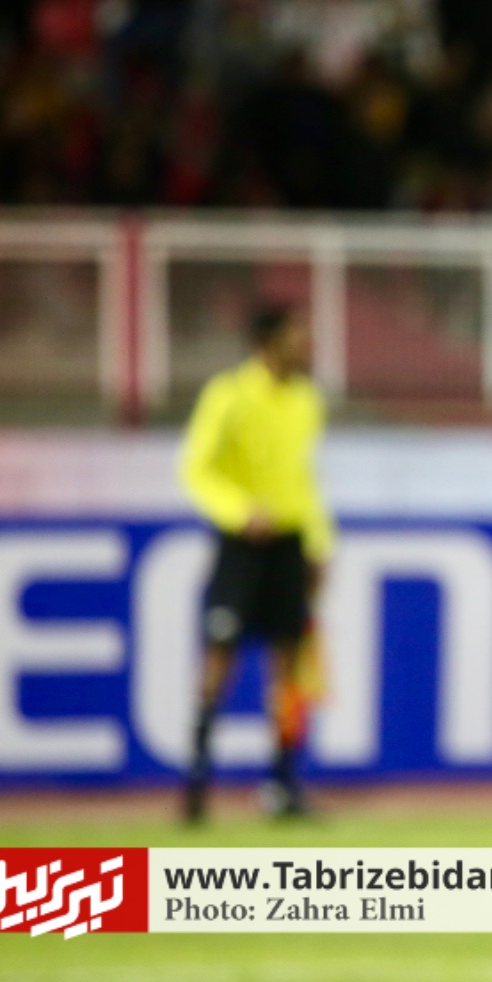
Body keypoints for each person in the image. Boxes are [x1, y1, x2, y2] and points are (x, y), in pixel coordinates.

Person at [177, 303, 333, 822]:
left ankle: (282, 784)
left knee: (288, 666)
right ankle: (197, 783)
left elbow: (303, 479)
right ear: (268, 342)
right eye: (297, 335)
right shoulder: (227, 396)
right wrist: (240, 512)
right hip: (241, 546)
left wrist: (319, 543)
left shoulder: (306, 400)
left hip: (289, 544)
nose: (306, 345)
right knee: (219, 658)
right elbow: (196, 469)